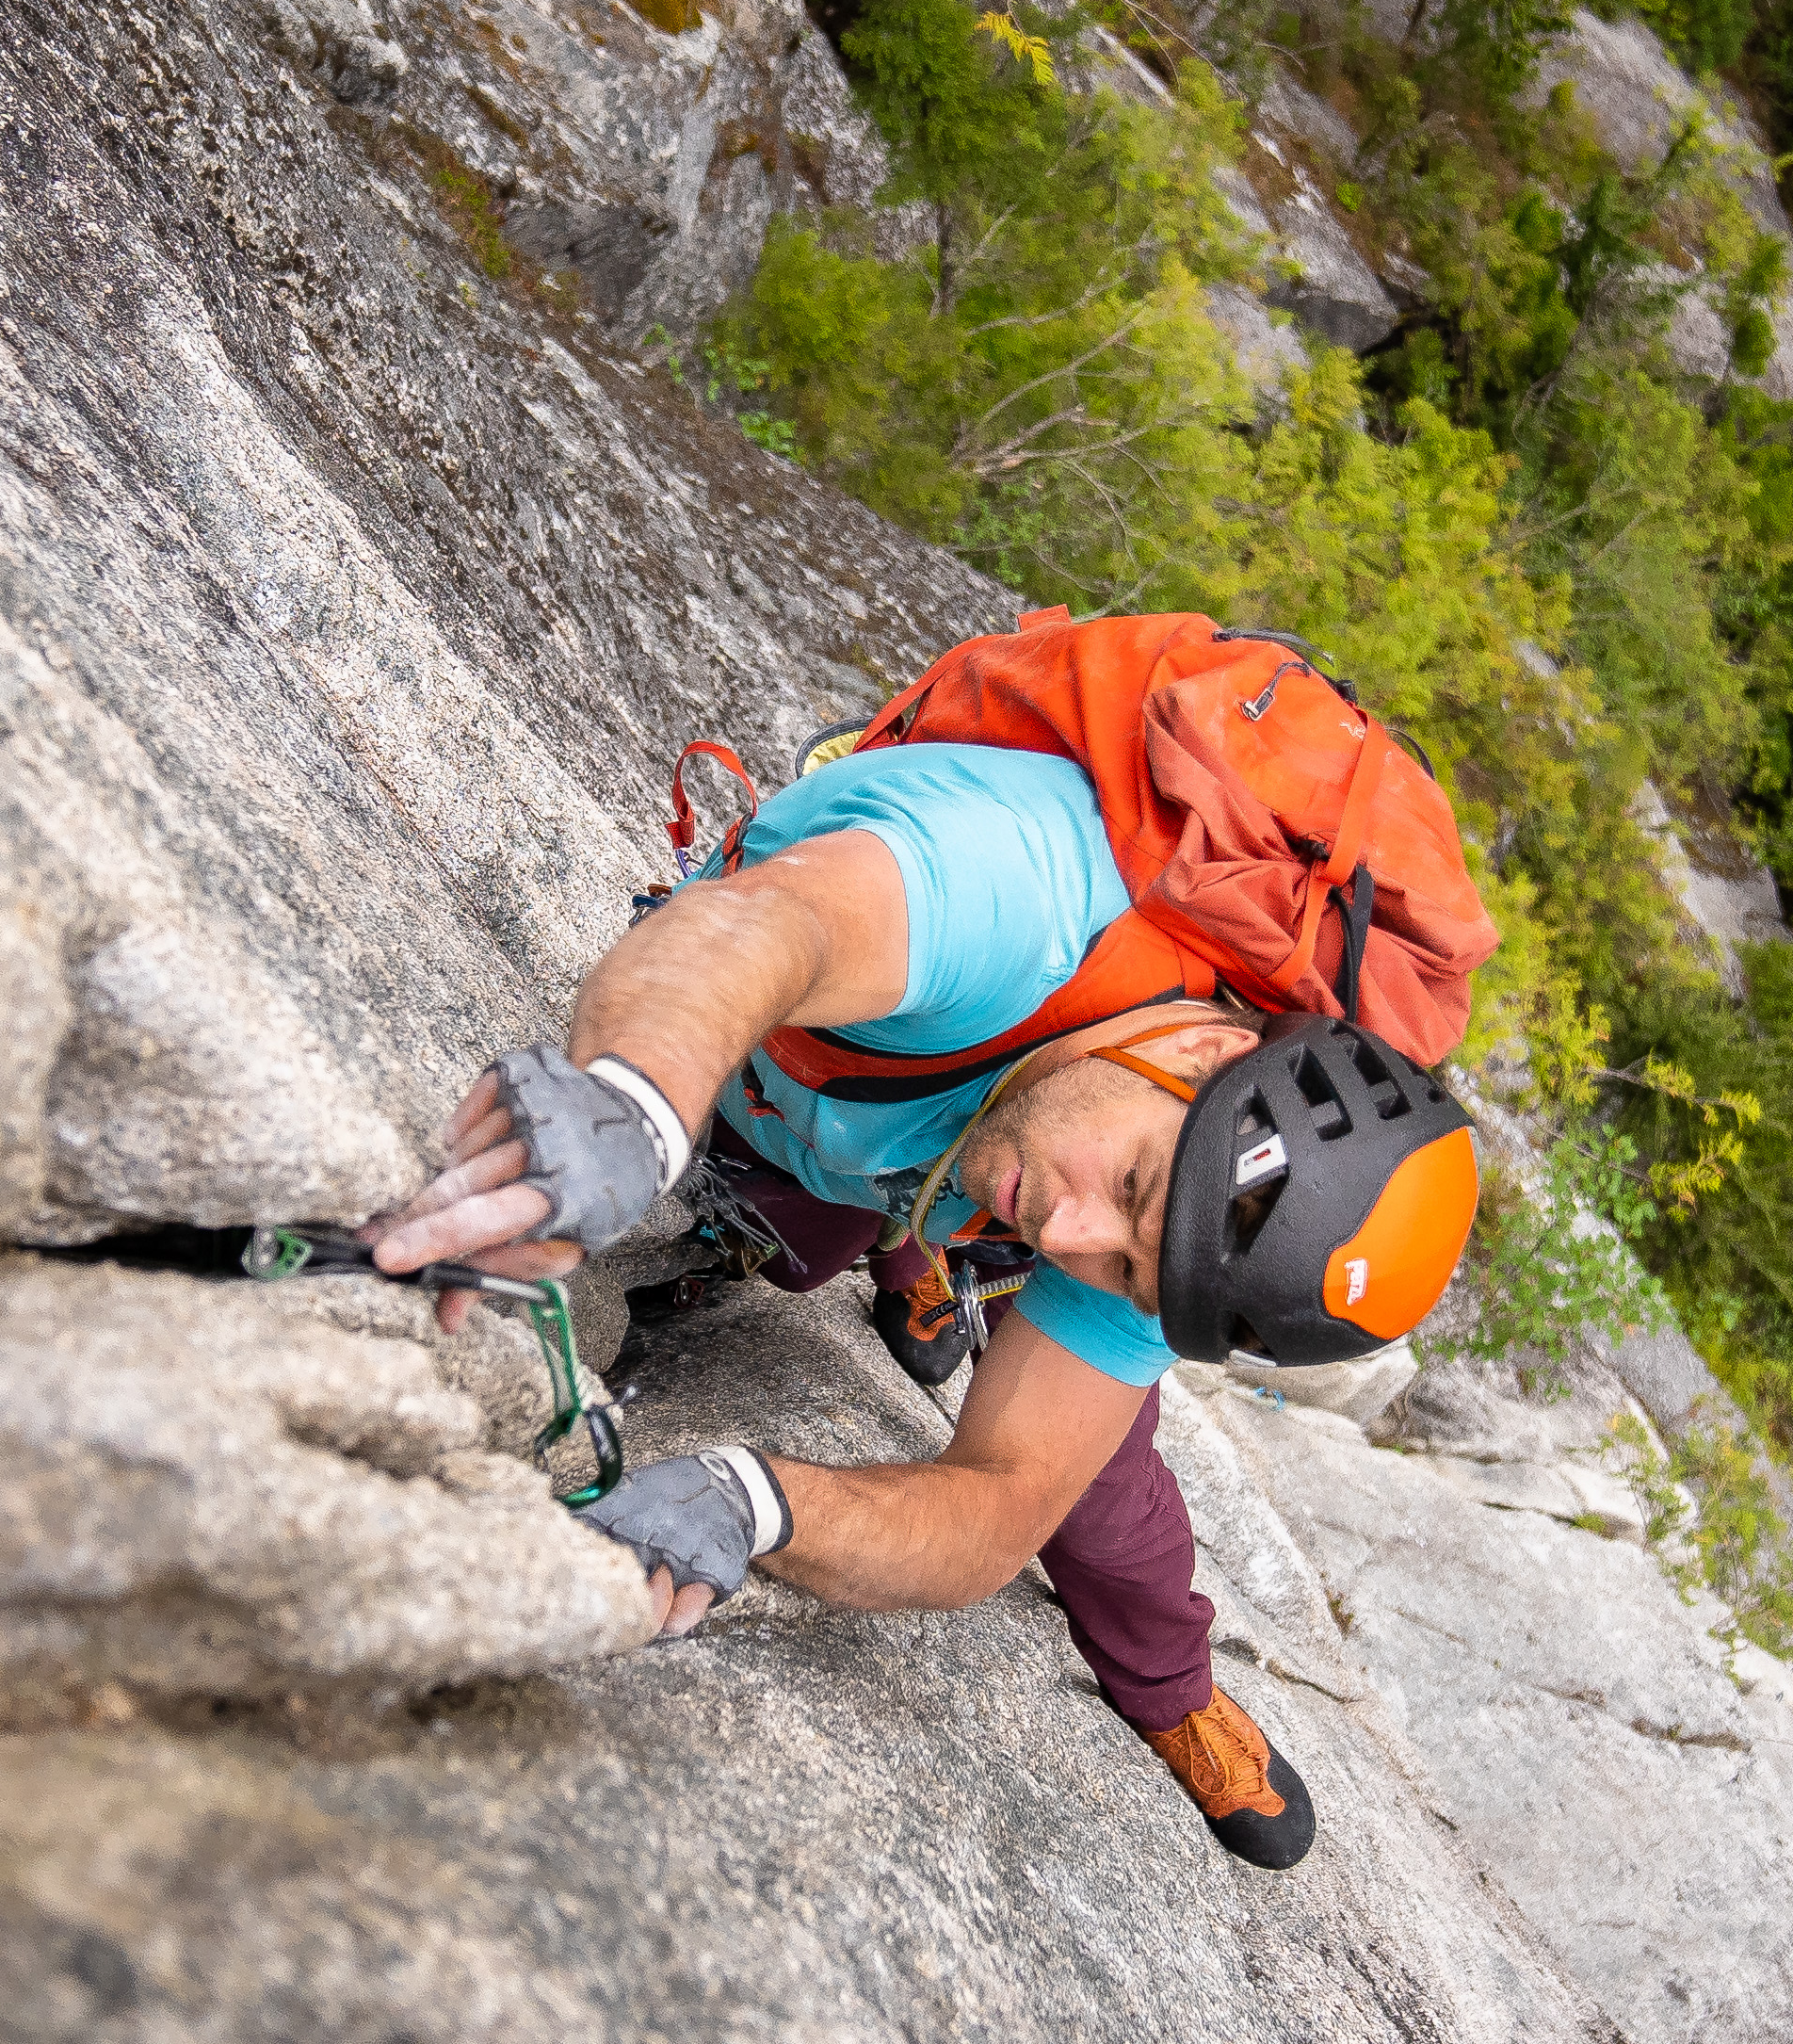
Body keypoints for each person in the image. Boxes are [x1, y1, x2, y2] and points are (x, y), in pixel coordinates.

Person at [368, 727, 1482, 1871]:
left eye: (1130, 1267)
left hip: (946, 1133)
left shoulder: (1192, 1212)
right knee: (801, 1240)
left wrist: (747, 1503)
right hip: (852, 1086)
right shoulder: (1012, 888)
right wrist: (636, 1104)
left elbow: (996, 1513)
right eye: (1134, 1189)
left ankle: (1172, 1690)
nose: (1070, 1235)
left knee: (1099, 1492)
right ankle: (912, 1258)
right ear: (1202, 1047)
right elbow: (768, 931)